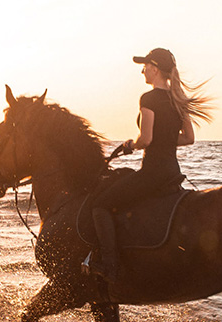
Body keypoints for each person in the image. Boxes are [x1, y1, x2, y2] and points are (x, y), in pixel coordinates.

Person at [89, 47, 212, 284]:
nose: (142, 71)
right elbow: (188, 138)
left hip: (153, 173)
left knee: (100, 204)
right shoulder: (179, 100)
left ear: (154, 69)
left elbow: (146, 139)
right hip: (172, 172)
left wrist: (130, 145)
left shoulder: (149, 99)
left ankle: (109, 265)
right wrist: (163, 138)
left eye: (145, 67)